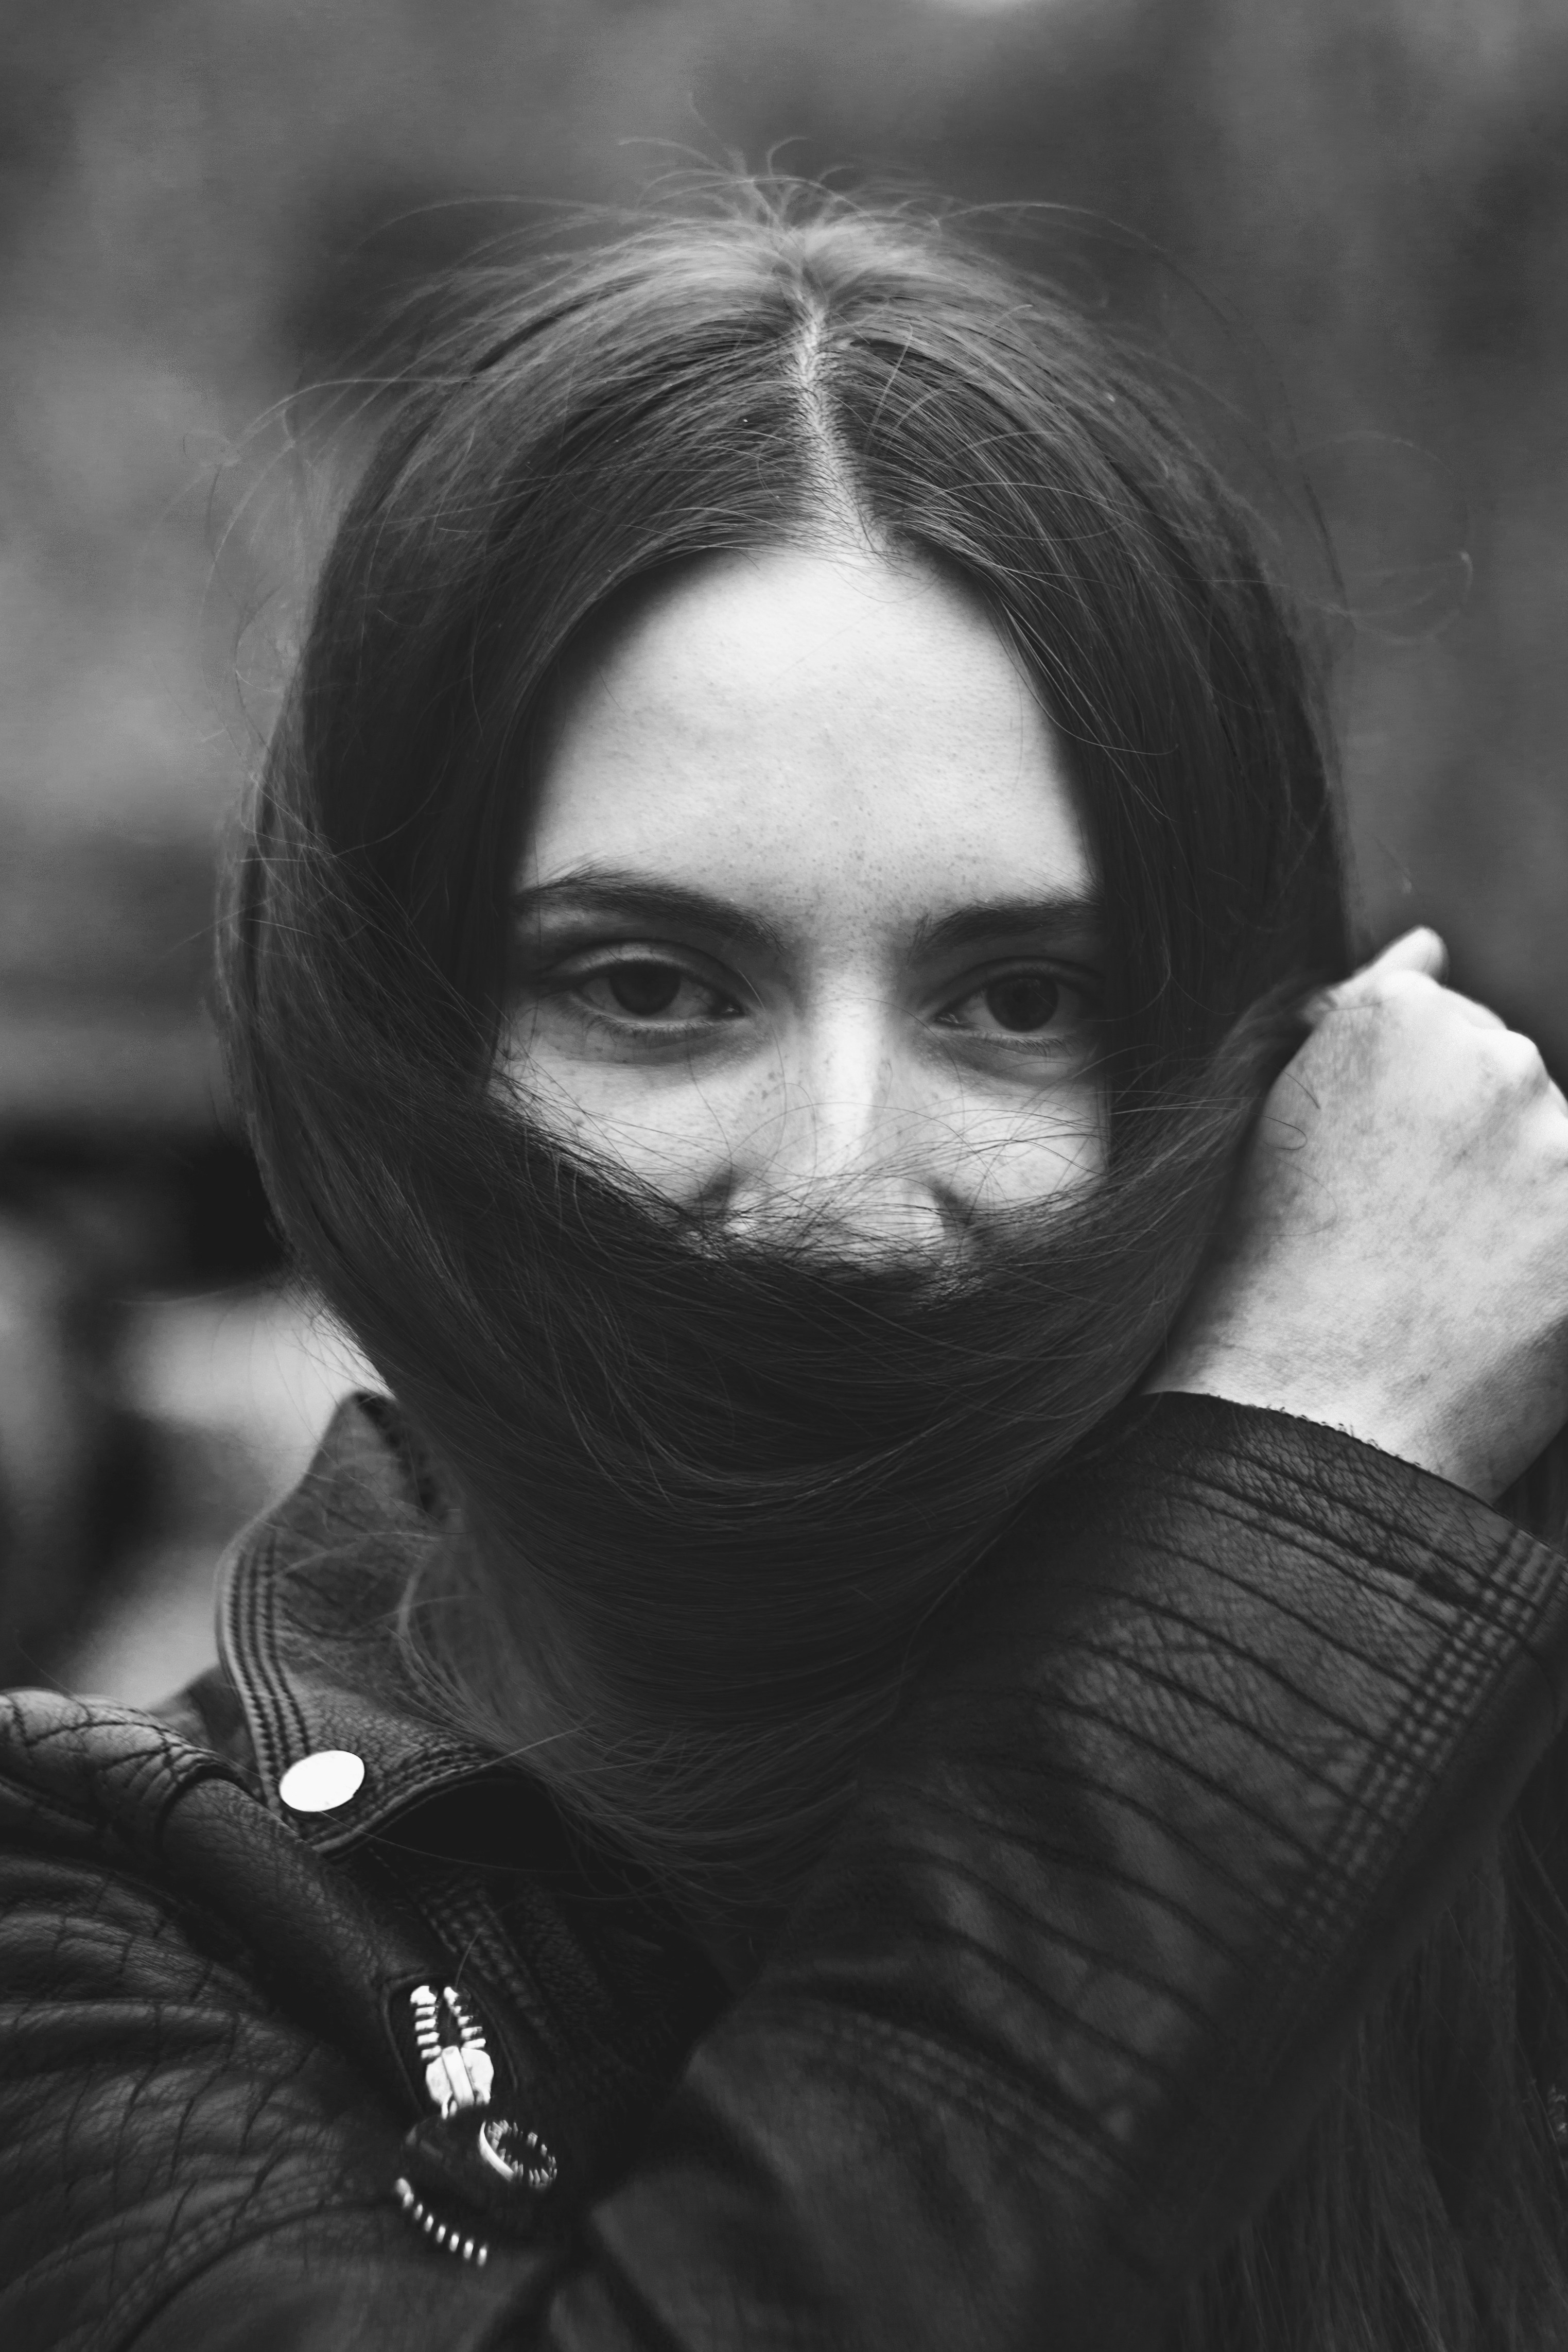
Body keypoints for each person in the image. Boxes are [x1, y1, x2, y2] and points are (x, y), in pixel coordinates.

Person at [4, 182, 1568, 2352]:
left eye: (1022, 997)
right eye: (651, 986)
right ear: (393, 1036)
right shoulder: (90, 1930)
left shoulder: (1519, 1810)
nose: (843, 1186)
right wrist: (1321, 1459)